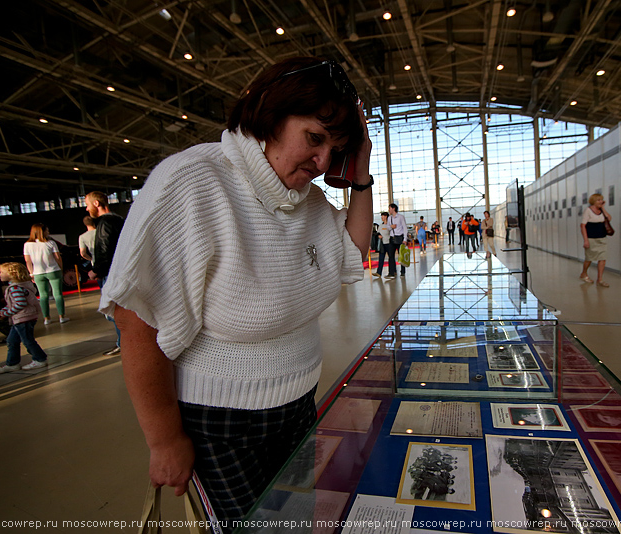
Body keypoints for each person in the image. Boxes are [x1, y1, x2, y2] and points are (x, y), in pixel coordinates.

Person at [100, 57, 372, 528]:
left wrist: (360, 175)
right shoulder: (193, 182)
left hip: (298, 406)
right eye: (314, 138)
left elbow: (351, 252)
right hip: (220, 425)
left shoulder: (306, 200)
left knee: (303, 521)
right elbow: (137, 320)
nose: (323, 161)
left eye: (337, 148)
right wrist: (164, 440)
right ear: (270, 114)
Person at [85, 191, 125, 356]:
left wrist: (96, 270)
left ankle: (122, 343)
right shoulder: (119, 220)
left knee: (112, 311)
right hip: (119, 270)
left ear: (96, 204)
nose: (87, 209)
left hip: (110, 273)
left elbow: (105, 249)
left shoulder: (105, 223)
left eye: (87, 204)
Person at [0, 262, 48, 373]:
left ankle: (40, 359)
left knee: (27, 340)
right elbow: (12, 304)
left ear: (12, 274)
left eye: (1, 272)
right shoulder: (20, 286)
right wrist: (3, 311)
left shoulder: (15, 288)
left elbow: (20, 304)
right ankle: (12, 363)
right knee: (12, 340)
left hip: (23, 318)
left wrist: (5, 313)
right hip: (22, 318)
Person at [23, 223, 69, 325]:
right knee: (58, 294)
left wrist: (31, 273)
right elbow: (58, 257)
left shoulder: (27, 245)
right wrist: (61, 269)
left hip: (38, 273)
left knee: (43, 296)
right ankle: (62, 316)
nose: (48, 232)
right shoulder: (51, 243)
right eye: (46, 230)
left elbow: (28, 261)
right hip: (53, 270)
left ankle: (46, 318)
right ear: (42, 232)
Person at [580, 193, 611, 287]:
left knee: (602, 259)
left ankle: (600, 279)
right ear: (593, 201)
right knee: (589, 259)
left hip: (602, 238)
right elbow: (583, 226)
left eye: (601, 200)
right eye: (598, 200)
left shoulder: (601, 210)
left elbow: (609, 218)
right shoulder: (588, 211)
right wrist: (585, 240)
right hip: (591, 238)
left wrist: (603, 208)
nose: (600, 201)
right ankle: (584, 273)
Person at [387, 203, 407, 278]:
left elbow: (405, 228)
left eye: (389, 208)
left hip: (400, 238)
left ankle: (402, 272)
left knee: (401, 256)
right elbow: (388, 228)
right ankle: (391, 272)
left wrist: (405, 239)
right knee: (391, 256)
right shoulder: (389, 218)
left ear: (393, 208)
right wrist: (391, 227)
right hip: (392, 238)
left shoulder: (401, 217)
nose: (389, 210)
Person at [373, 212, 391, 278]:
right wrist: (379, 235)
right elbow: (377, 233)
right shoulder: (381, 225)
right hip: (382, 244)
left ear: (386, 216)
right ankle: (379, 272)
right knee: (381, 258)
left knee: (391, 259)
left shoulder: (389, 225)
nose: (382, 217)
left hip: (389, 244)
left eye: (383, 216)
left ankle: (392, 272)